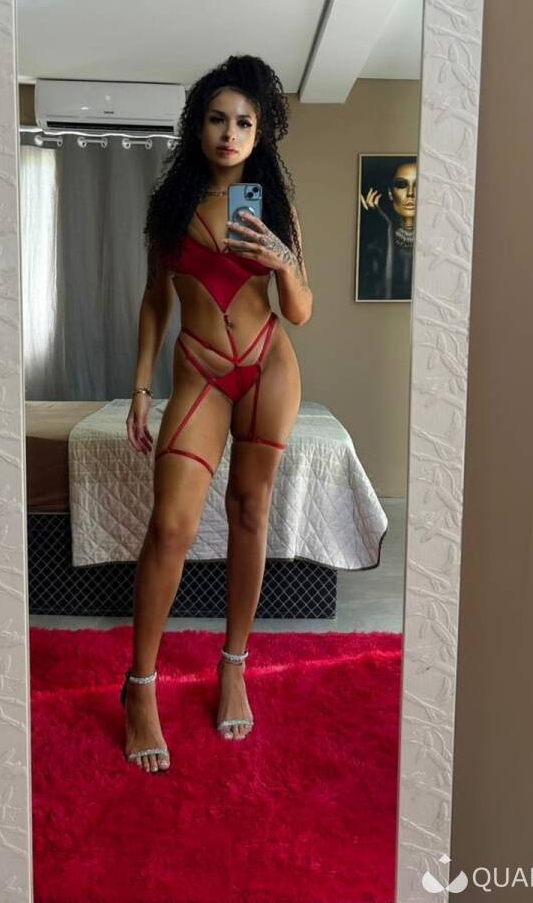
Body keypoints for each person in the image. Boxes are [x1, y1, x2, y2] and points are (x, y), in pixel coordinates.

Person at [121, 54, 312, 773]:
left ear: (260, 133)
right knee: (170, 525)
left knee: (250, 511)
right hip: (200, 371)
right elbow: (155, 301)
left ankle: (234, 665)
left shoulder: (274, 208)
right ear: (197, 126)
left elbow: (301, 311)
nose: (229, 134)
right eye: (217, 119)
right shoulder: (170, 209)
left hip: (268, 366)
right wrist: (141, 388)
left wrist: (283, 260)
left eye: (244, 123)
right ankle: (140, 688)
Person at [358, 160, 417, 300]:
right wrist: (385, 229)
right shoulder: (378, 236)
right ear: (390, 193)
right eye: (401, 185)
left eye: (418, 185)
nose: (410, 194)